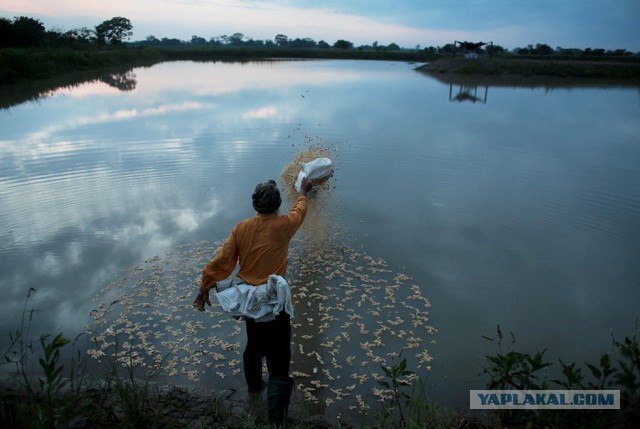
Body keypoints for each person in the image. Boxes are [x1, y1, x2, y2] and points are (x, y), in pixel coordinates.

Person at [193, 177, 313, 426]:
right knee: (279, 355)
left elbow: (222, 261)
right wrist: (302, 191)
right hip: (274, 303)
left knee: (254, 346)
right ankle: (276, 418)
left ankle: (254, 392)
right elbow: (300, 210)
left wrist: (204, 287)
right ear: (279, 205)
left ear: (255, 205)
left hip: (251, 304)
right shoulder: (285, 225)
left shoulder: (242, 228)